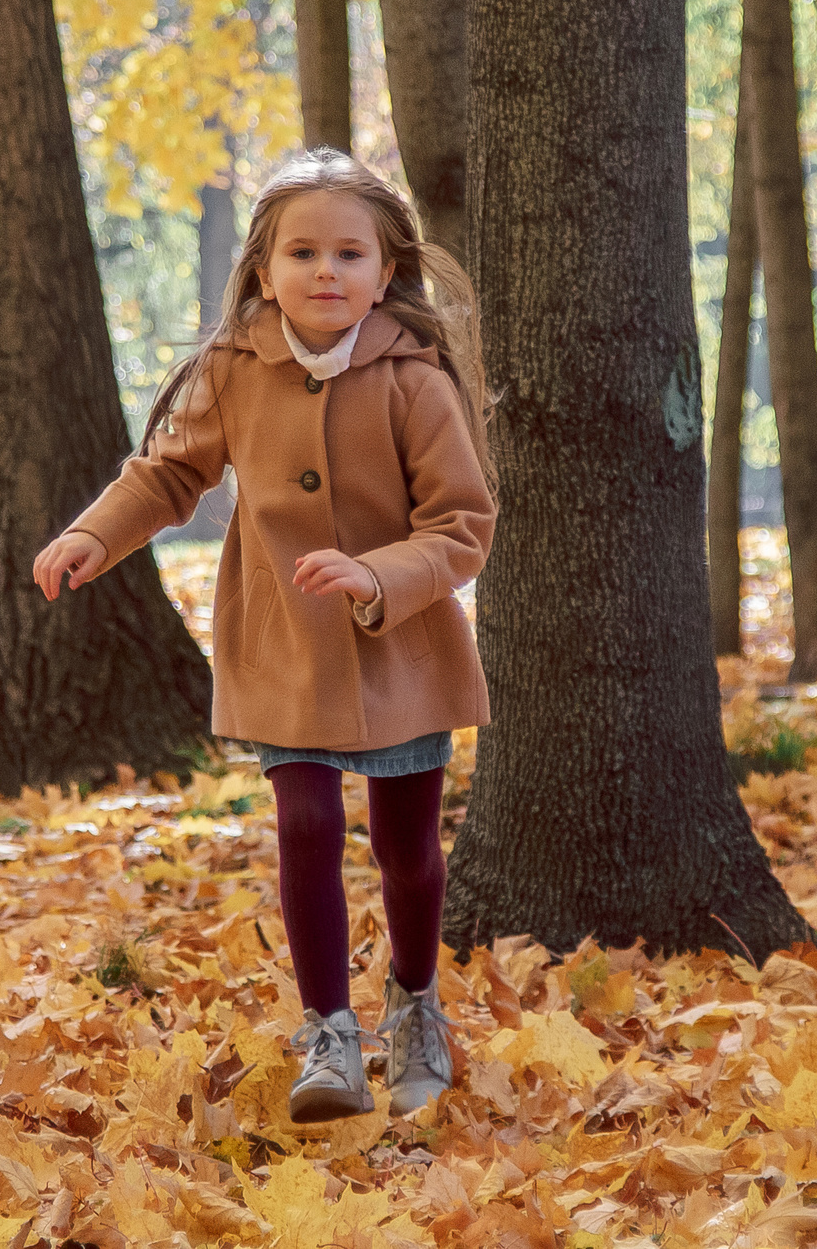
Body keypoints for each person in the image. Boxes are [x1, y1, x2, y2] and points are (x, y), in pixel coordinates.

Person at [30, 149, 494, 1122]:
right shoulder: (235, 370)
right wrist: (93, 534)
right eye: (302, 253)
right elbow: (167, 474)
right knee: (306, 824)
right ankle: (330, 1032)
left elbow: (461, 525)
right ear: (264, 270)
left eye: (349, 254)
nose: (326, 271)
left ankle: (416, 1005)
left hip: (400, 649)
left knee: (408, 848)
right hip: (282, 640)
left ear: (386, 271)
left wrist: (377, 574)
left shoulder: (414, 380)